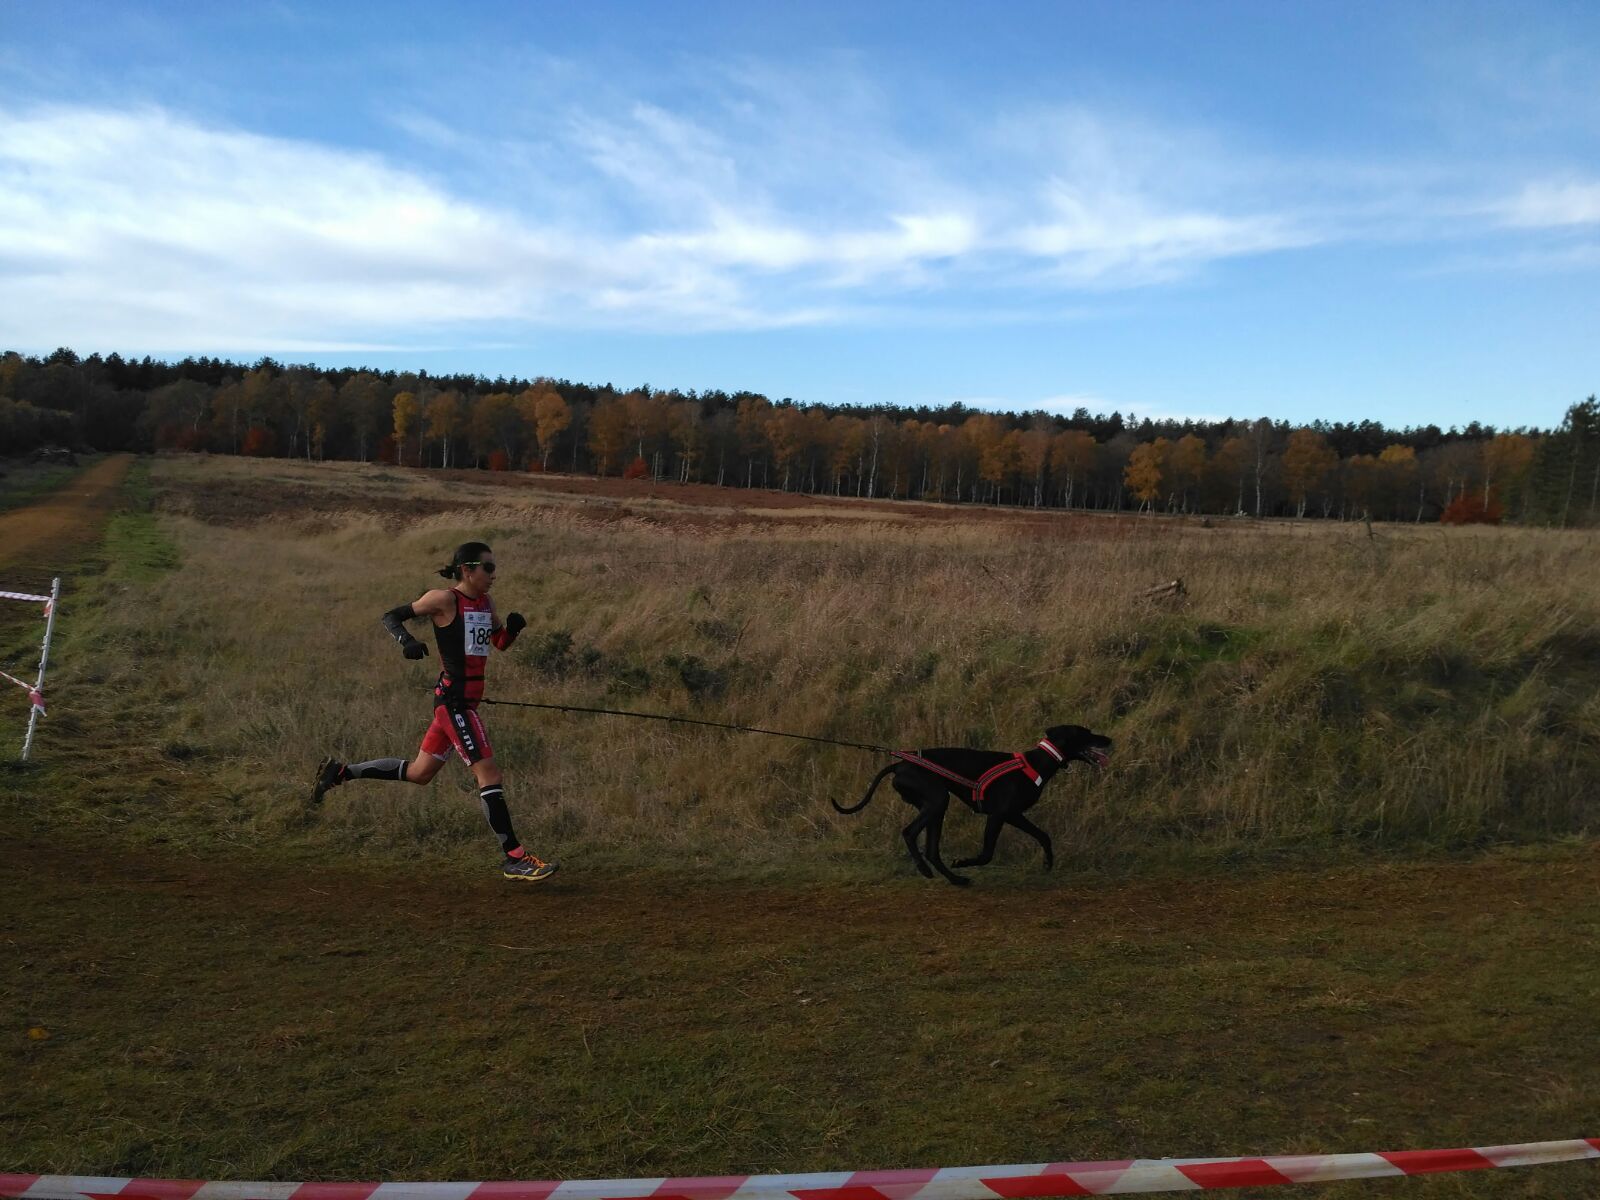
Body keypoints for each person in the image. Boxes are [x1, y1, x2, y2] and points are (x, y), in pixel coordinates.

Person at [310, 541, 558, 882]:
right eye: (488, 568)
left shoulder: (486, 603)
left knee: (419, 773)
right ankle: (515, 858)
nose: (494, 574)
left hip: (464, 703)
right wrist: (407, 642)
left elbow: (498, 643)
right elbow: (391, 616)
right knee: (489, 775)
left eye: (494, 568)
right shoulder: (444, 600)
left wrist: (512, 630)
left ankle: (341, 772)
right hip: (454, 704)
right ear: (468, 570)